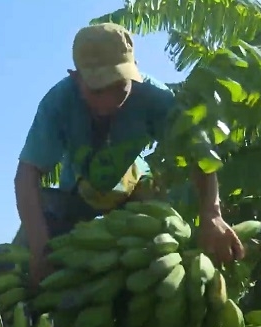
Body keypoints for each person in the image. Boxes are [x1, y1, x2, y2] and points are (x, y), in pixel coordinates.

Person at [13, 23, 244, 288]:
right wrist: (39, 246)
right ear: (76, 77)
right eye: (97, 90)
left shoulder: (155, 98)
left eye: (118, 86)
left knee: (163, 246)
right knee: (24, 258)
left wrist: (211, 213)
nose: (108, 102)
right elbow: (27, 175)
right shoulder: (58, 103)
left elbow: (197, 152)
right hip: (75, 192)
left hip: (135, 189)